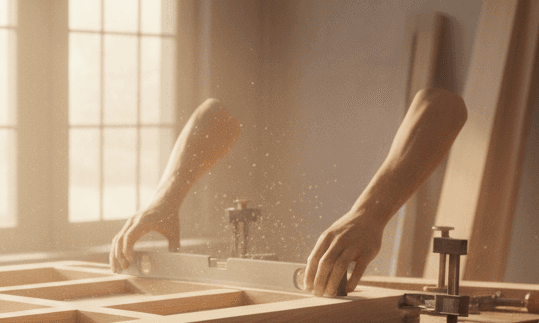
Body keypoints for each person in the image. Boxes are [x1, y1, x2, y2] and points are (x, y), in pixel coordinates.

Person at [109, 88, 468, 295]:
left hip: (343, 283)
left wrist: (368, 213)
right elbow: (216, 112)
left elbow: (443, 105)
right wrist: (165, 200)